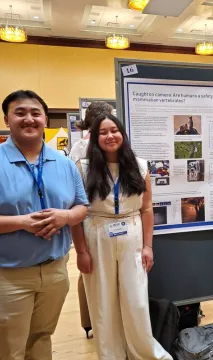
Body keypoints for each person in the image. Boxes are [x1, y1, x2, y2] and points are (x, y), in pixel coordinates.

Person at [71, 113, 172, 360]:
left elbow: (147, 208)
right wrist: (81, 251)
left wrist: (148, 247)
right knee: (102, 302)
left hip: (132, 233)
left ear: (123, 134)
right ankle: (111, 354)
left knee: (135, 300)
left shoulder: (140, 166)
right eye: (103, 132)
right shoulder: (83, 168)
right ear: (95, 138)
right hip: (97, 234)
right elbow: (75, 212)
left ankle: (143, 352)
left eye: (114, 130)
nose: (109, 136)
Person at [0, 90, 88, 360]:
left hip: (55, 271)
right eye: (20, 112)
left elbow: (82, 206)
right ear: (7, 119)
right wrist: (21, 223)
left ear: (45, 119)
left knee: (41, 338)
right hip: (9, 275)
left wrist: (66, 217)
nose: (29, 119)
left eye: (35, 113)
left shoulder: (63, 163)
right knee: (9, 346)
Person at [69, 101, 113, 338]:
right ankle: (94, 321)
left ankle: (91, 323)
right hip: (92, 214)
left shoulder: (82, 145)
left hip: (100, 216)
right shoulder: (82, 149)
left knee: (90, 270)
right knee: (90, 269)